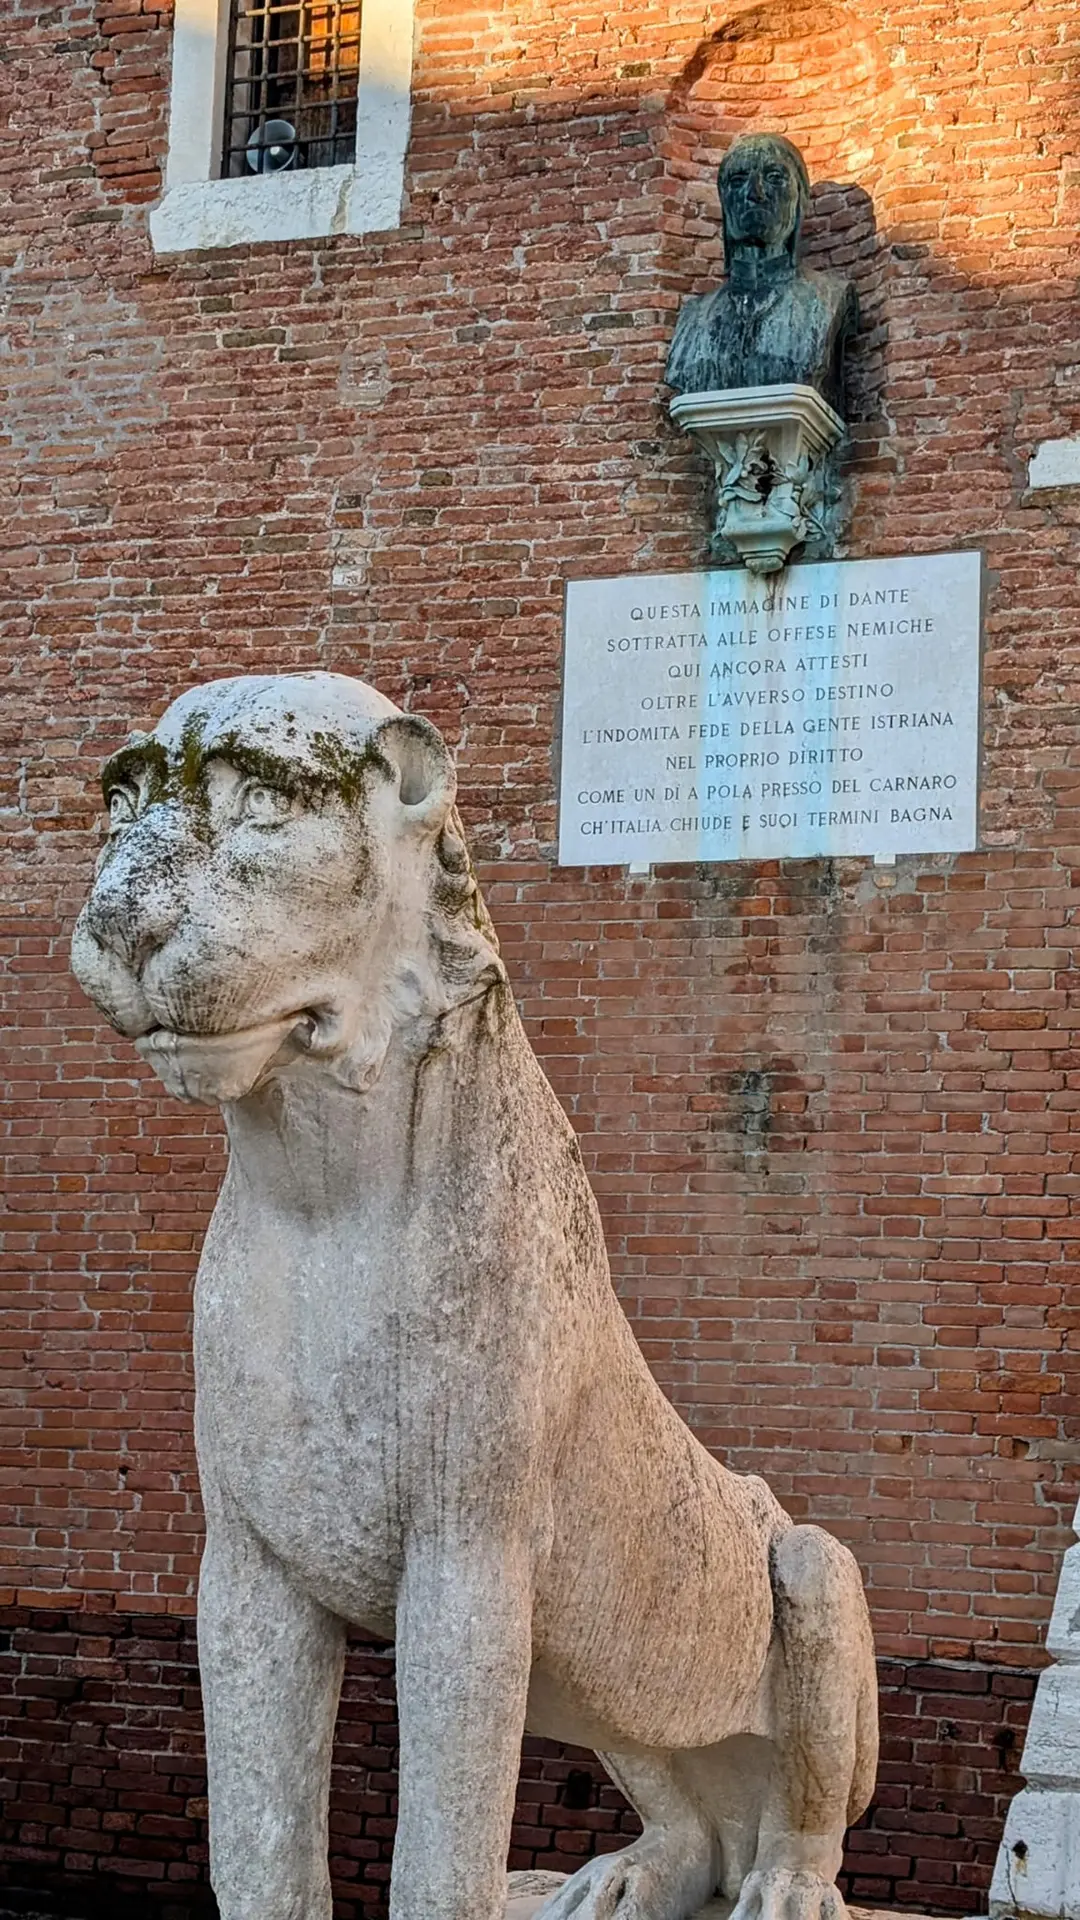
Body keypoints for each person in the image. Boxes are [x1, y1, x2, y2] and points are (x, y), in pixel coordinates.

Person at [665, 132, 856, 413]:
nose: (755, 193)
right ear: (724, 200)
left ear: (800, 198)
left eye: (774, 178)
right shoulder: (694, 317)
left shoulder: (829, 298)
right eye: (738, 180)